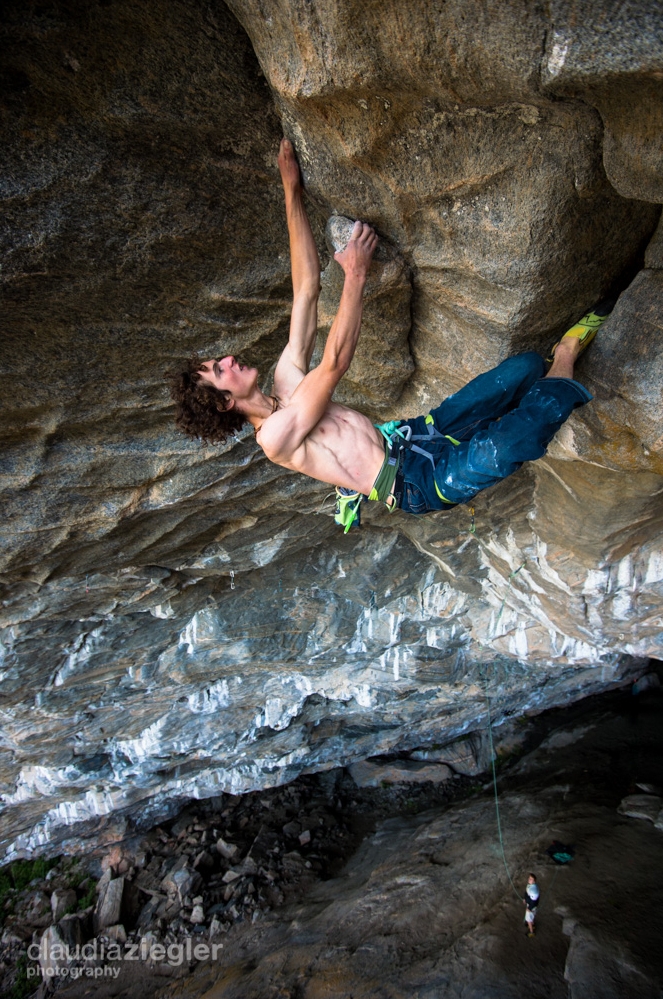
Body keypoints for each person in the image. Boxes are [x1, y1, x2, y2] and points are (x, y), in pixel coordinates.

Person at [170, 139, 612, 528]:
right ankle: (567, 355)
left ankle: (549, 370)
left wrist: (291, 191)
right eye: (219, 370)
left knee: (524, 368)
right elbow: (335, 364)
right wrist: (356, 275)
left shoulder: (286, 382)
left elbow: (305, 288)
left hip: (418, 435)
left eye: (218, 358)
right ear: (225, 401)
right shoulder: (276, 438)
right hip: (420, 482)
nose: (228, 359)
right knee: (516, 440)